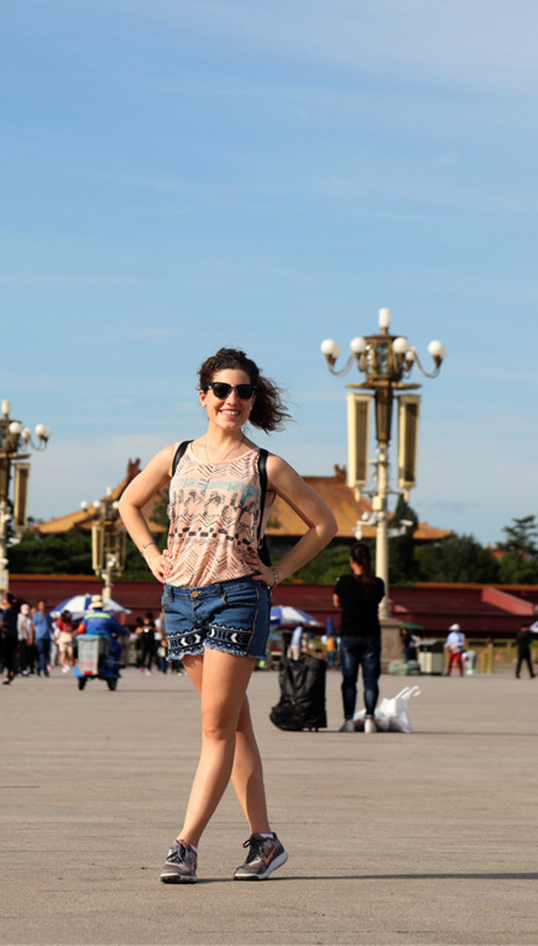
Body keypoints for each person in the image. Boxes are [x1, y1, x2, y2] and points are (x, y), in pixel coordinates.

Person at [118, 346, 337, 884]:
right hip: (179, 601)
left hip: (238, 597)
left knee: (215, 727)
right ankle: (265, 841)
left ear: (252, 400)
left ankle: (185, 845)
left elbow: (323, 524)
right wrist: (151, 556)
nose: (231, 400)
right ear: (203, 396)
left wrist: (278, 571)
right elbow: (129, 503)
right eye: (221, 390)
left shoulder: (266, 466)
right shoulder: (176, 455)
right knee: (233, 727)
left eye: (242, 391)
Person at [333, 542, 385, 733]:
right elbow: (376, 602)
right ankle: (370, 718)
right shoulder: (378, 583)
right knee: (371, 680)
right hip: (371, 634)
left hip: (349, 634)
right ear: (369, 560)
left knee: (349, 680)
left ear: (351, 560)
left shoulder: (344, 581)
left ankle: (348, 720)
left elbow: (337, 602)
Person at [32, 600, 52, 677]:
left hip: (47, 636)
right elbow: (32, 627)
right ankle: (45, 670)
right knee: (41, 653)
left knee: (46, 654)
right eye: (40, 605)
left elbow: (50, 625)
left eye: (43, 605)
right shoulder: (36, 615)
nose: (42, 607)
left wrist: (54, 634)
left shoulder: (48, 615)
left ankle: (38, 668)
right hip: (39, 637)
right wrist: (32, 638)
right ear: (38, 606)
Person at [56, 609, 75, 673]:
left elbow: (72, 628)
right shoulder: (61, 621)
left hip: (69, 637)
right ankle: (64, 665)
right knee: (63, 653)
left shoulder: (71, 621)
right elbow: (59, 629)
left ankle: (69, 662)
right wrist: (56, 637)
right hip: (63, 637)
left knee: (70, 652)